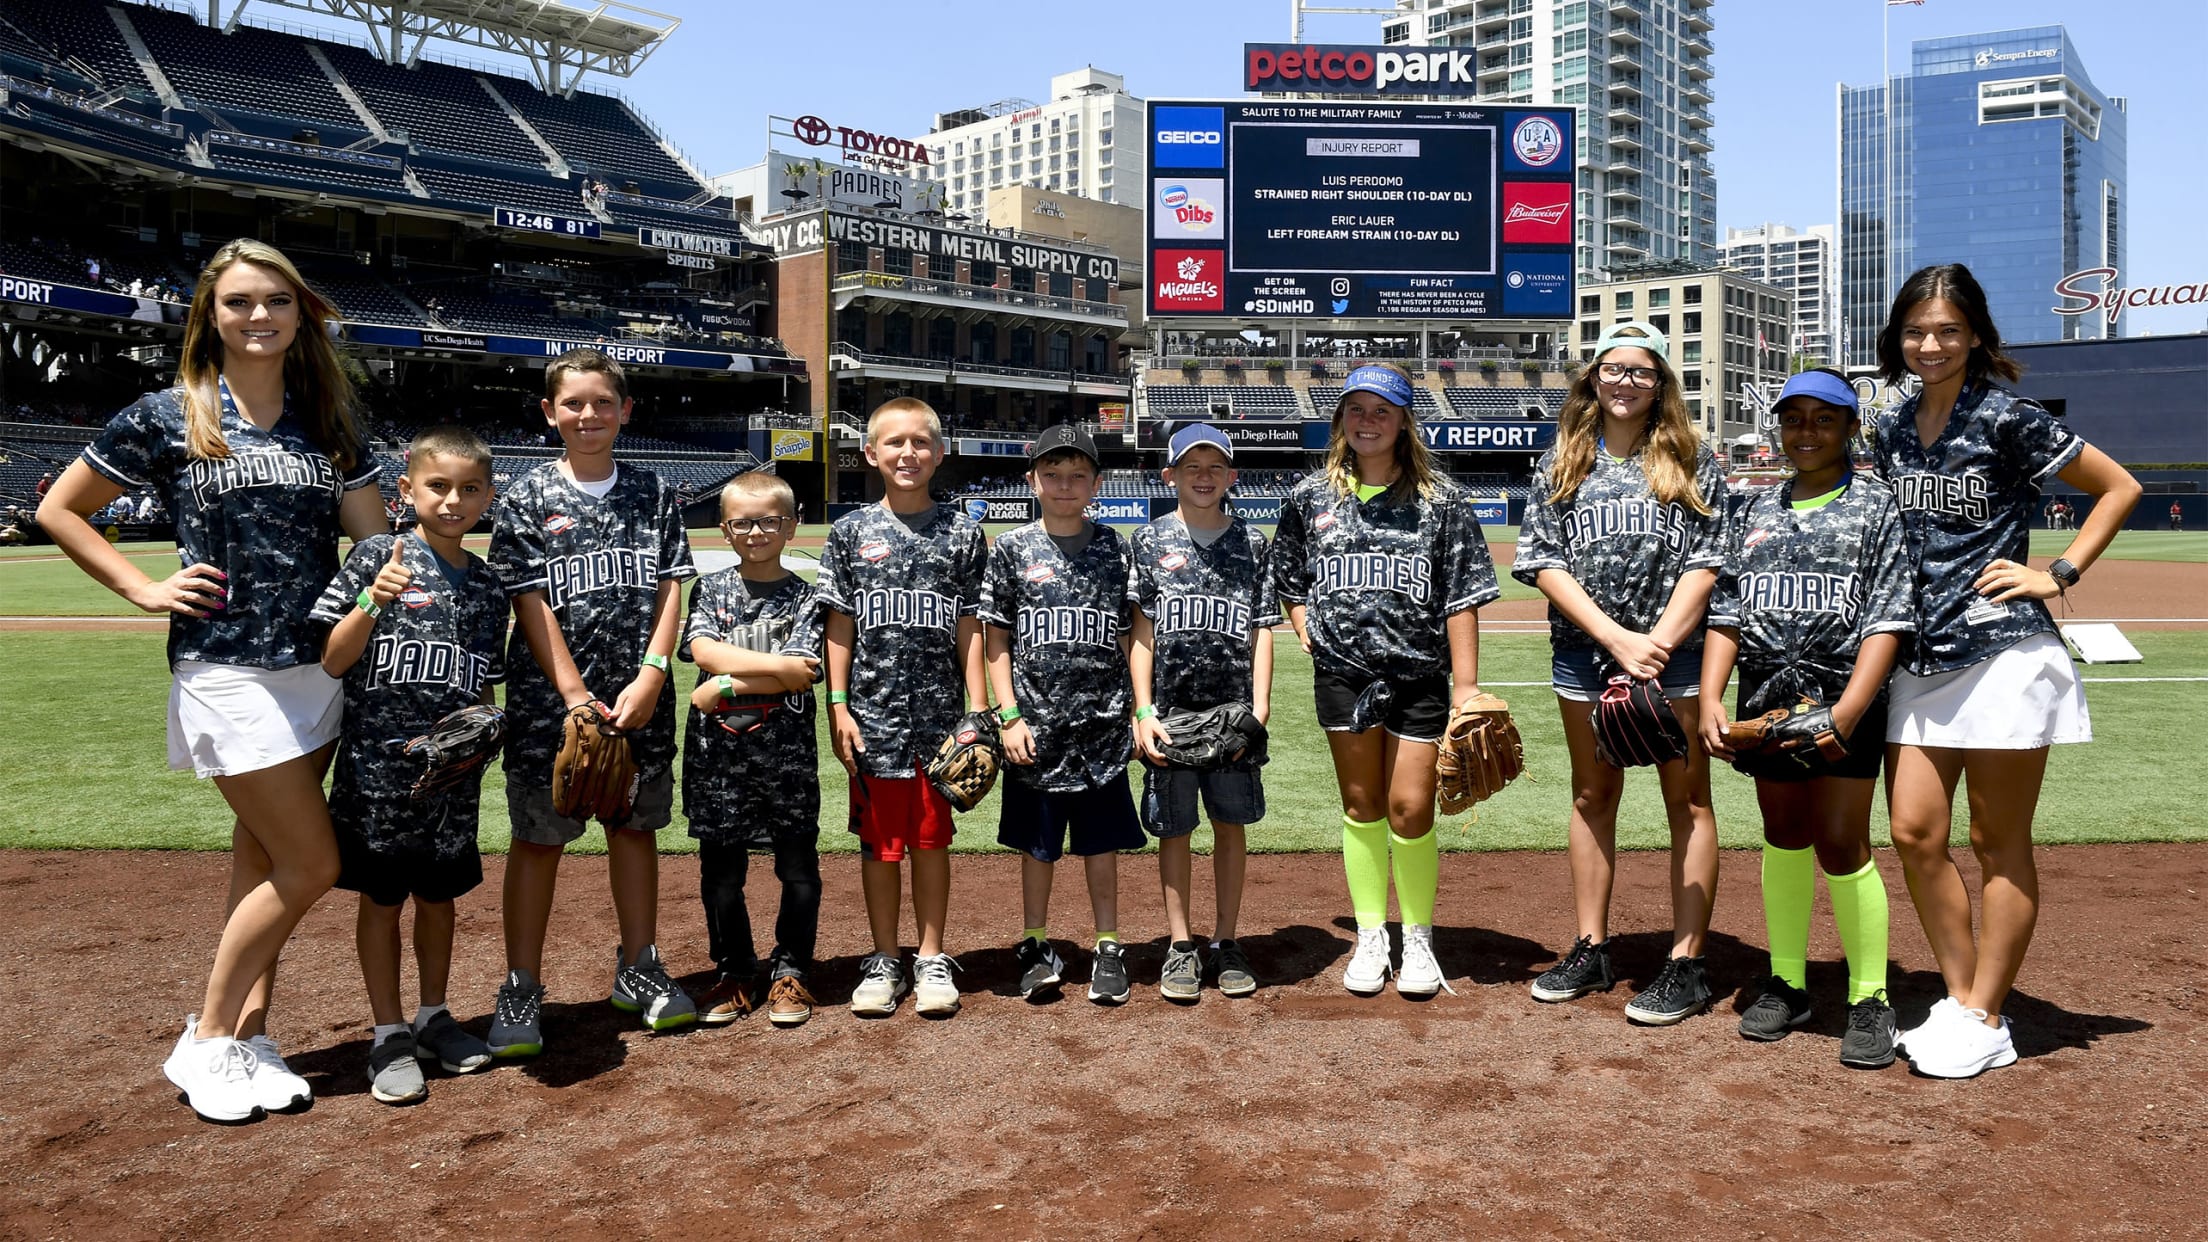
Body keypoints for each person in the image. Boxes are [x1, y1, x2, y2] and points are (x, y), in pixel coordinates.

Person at [36, 238, 387, 1123]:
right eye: (239, 303)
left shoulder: (329, 421)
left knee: (262, 859)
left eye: (275, 300)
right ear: (211, 318)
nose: (258, 316)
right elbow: (57, 509)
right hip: (225, 669)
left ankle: (247, 1038)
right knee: (312, 863)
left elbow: (373, 541)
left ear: (300, 311)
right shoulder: (168, 413)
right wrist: (140, 585)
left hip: (316, 669)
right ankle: (205, 1037)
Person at [1870, 264, 2141, 1078]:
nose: (1931, 344)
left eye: (1949, 330)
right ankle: (1960, 1000)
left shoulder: (2008, 419)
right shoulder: (1889, 426)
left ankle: (1989, 1014)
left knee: (1996, 839)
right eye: (1917, 330)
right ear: (1898, 337)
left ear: (1978, 337)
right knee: (1916, 833)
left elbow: (2118, 487)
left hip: (2002, 652)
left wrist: (2055, 574)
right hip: (1918, 655)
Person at [483, 347, 699, 1056]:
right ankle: (520, 985)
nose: (588, 414)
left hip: (640, 698)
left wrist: (653, 673)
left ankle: (638, 966)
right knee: (539, 839)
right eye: (573, 403)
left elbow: (672, 586)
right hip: (553, 706)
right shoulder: (525, 497)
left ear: (625, 410)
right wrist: (575, 696)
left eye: (602, 402)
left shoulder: (654, 490)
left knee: (634, 831)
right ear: (549, 413)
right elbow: (529, 600)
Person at [1512, 322, 1728, 1025]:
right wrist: (1614, 640)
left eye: (1641, 371)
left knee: (1688, 800)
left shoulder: (1694, 460)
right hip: (1584, 652)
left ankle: (1688, 961)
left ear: (1661, 382)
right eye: (1613, 369)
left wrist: (1655, 646)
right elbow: (1544, 563)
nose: (1625, 381)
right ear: (1593, 379)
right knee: (1590, 795)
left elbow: (1707, 562)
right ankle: (1591, 946)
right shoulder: (1562, 462)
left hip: (1677, 656)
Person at [1697, 371, 1913, 1068]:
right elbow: (1727, 613)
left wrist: (1848, 713)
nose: (1808, 432)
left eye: (1825, 419)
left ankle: (1870, 995)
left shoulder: (1878, 507)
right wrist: (1709, 698)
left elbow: (1887, 618)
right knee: (1783, 833)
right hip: (1767, 696)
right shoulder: (1750, 508)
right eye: (1795, 419)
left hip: (1845, 695)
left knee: (1843, 840)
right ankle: (1788, 981)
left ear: (1851, 427)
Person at [1273, 363, 1498, 998]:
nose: (1367, 421)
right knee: (1362, 804)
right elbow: (1289, 578)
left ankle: (1418, 935)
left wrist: (1467, 689)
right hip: (1344, 675)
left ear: (1404, 422)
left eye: (1382, 410)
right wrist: (1305, 627)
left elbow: (1462, 598)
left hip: (1420, 674)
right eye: (1356, 409)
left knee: (1410, 805)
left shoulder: (1441, 500)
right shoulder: (1309, 497)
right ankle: (1373, 932)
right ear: (1341, 418)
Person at [310, 426, 505, 1104]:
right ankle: (388, 1030)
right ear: (407, 489)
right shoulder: (374, 556)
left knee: (440, 897)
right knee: (383, 898)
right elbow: (333, 659)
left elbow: (482, 687)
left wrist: (483, 735)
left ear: (487, 497)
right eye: (439, 486)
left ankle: (434, 1017)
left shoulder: (487, 587)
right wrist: (373, 599)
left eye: (470, 489)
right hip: (377, 773)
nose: (454, 500)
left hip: (451, 781)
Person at [819, 397, 988, 1019]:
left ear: (940, 453)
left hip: (942, 719)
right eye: (894, 443)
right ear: (871, 453)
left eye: (921, 442)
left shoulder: (964, 532)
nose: (908, 453)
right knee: (879, 845)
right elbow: (839, 625)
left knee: (930, 840)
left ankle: (932, 955)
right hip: (875, 716)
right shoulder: (851, 532)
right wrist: (837, 704)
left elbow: (971, 626)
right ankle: (885, 957)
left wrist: (978, 709)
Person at [983, 424, 1144, 1005]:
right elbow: (994, 640)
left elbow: (1131, 637)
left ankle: (1108, 945)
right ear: (1033, 481)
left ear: (1097, 483)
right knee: (1039, 846)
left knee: (1100, 848)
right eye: (1052, 474)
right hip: (1037, 731)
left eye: (1078, 475)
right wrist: (1009, 715)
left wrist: (1135, 709)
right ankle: (1034, 941)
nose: (1065, 484)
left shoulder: (1115, 548)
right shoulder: (1010, 549)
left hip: (1101, 730)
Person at [1130, 426, 1278, 1002]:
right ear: (1169, 476)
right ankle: (1180, 943)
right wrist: (1142, 709)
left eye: (1215, 466)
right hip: (1169, 712)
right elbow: (1139, 633)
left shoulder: (1252, 543)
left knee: (1230, 826)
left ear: (1232, 477)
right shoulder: (1146, 542)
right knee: (1174, 829)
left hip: (1231, 713)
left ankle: (1226, 940)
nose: (1203, 475)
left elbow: (1263, 629)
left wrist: (1258, 709)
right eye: (1191, 466)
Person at [680, 472, 826, 1028]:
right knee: (721, 876)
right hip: (719, 763)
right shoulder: (710, 589)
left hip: (786, 762)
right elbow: (703, 650)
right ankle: (737, 970)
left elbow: (803, 671)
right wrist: (777, 671)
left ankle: (792, 971)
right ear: (724, 529)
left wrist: (723, 686)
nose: (756, 531)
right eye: (742, 522)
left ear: (791, 526)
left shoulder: (808, 597)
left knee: (798, 871)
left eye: (769, 520)